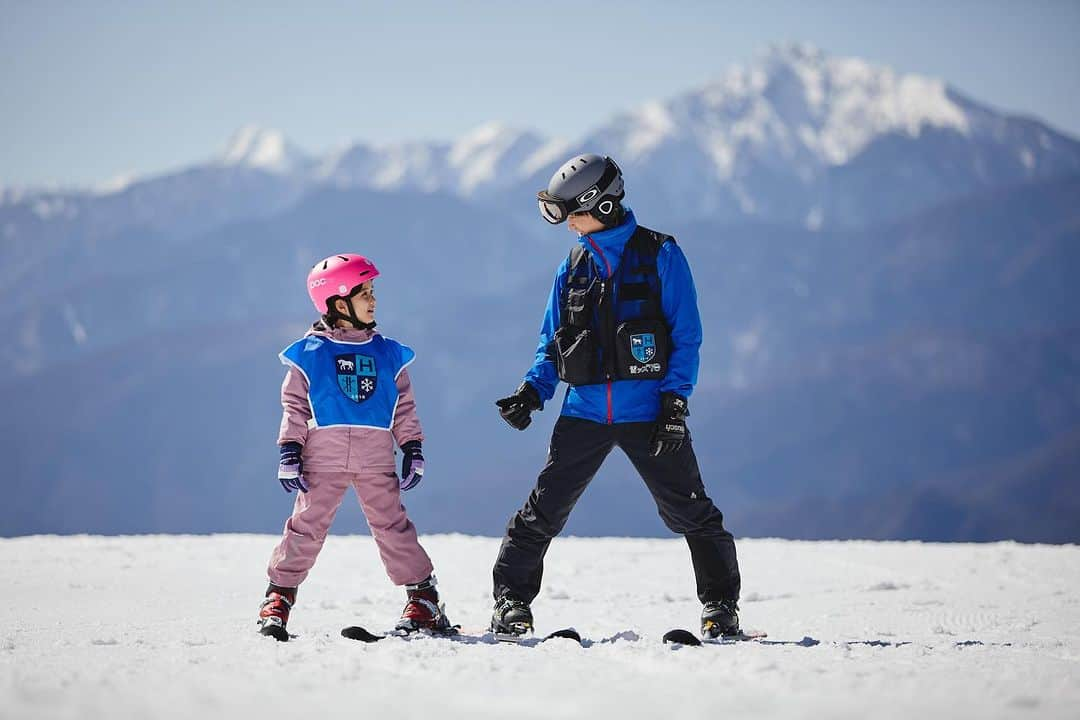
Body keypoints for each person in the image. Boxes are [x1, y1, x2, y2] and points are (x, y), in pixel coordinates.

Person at [491, 154, 742, 639]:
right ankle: (510, 603)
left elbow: (686, 336)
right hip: (583, 412)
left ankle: (720, 607)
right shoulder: (573, 265)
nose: (567, 226)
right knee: (542, 511)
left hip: (649, 413)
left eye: (571, 213)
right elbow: (553, 343)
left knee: (692, 511)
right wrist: (532, 393)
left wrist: (674, 404)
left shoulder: (661, 255)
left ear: (598, 204)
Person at [257, 253, 452, 641]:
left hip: (376, 458)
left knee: (392, 527)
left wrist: (412, 446)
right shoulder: (309, 355)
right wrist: (289, 450)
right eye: (366, 293)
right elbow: (295, 406)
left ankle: (424, 598)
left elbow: (403, 407)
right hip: (321, 460)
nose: (374, 300)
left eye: (373, 292)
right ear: (338, 302)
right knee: (305, 528)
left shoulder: (388, 354)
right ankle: (278, 596)